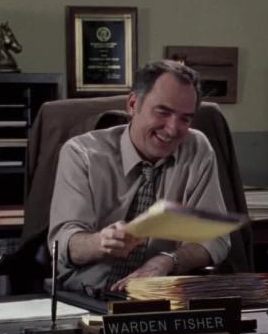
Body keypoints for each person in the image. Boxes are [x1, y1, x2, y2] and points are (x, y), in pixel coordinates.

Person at [48, 60, 230, 295]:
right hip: (87, 294)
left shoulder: (197, 148)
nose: (173, 129)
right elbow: (63, 244)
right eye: (163, 112)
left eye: (185, 118)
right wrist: (101, 242)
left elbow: (215, 238)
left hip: (158, 296)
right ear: (133, 104)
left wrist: (168, 260)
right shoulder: (81, 154)